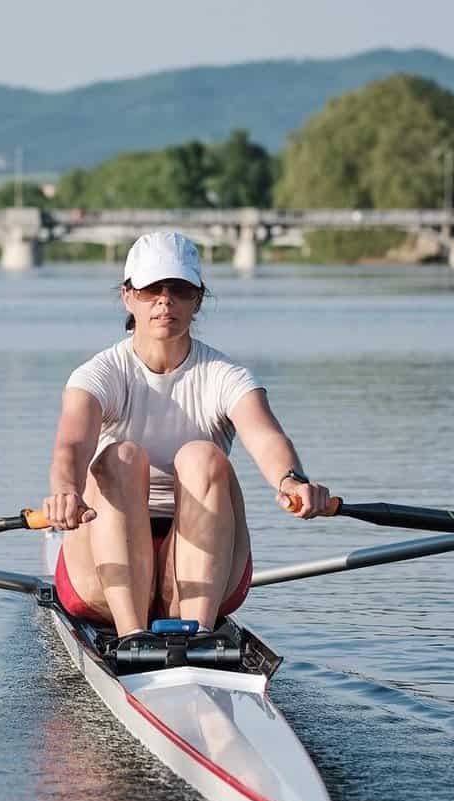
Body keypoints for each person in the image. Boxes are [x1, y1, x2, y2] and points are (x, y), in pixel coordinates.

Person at [41, 230, 332, 641]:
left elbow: (265, 436)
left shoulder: (225, 375)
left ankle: (196, 634)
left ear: (197, 299)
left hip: (203, 569)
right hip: (102, 575)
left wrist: (292, 481)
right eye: (150, 289)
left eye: (178, 289)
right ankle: (131, 637)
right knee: (120, 456)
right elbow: (72, 444)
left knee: (203, 456)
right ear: (128, 297)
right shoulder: (98, 374)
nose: (164, 300)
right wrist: (65, 491)